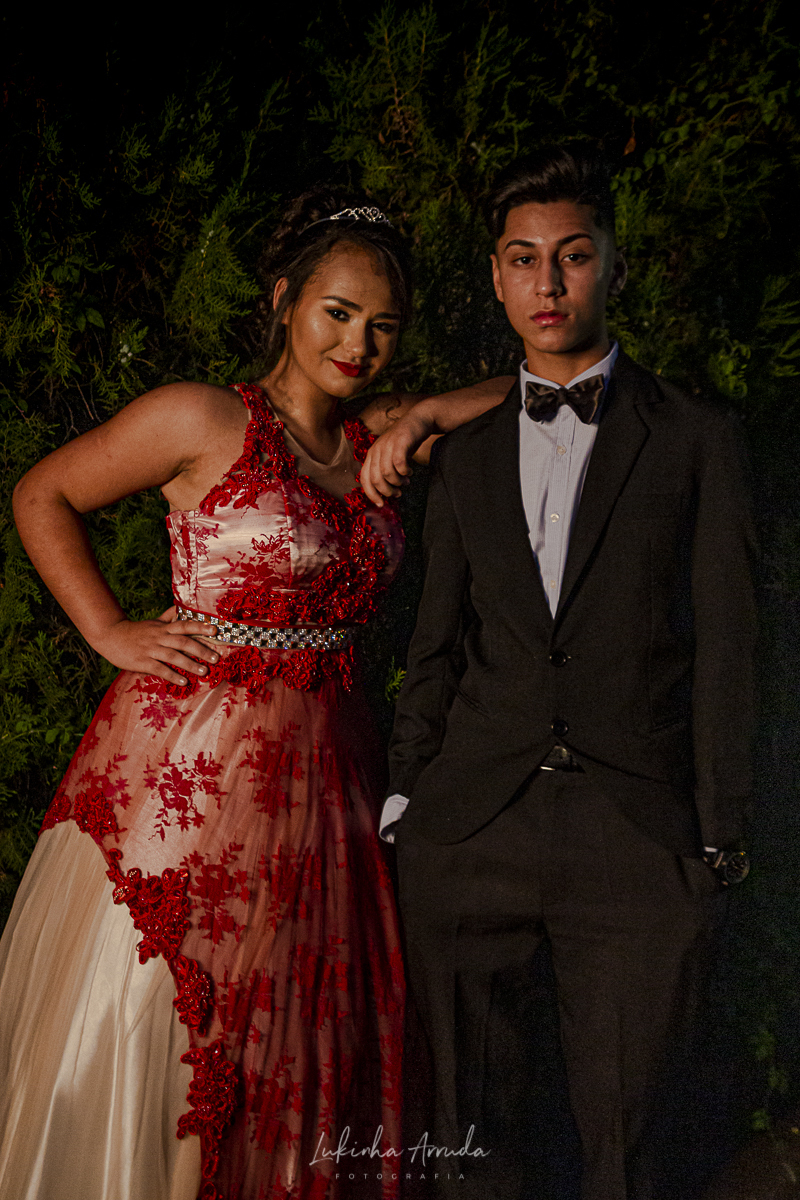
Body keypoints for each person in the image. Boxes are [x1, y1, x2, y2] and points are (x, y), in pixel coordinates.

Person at [0, 189, 507, 1200]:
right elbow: (40, 491)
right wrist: (109, 630)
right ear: (283, 301)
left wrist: (426, 414)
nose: (358, 344)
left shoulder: (376, 436)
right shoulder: (203, 416)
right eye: (337, 313)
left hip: (328, 783)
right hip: (189, 773)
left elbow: (526, 390)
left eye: (383, 326)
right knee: (177, 1016)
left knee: (298, 1020)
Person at [363, 145, 758, 1200]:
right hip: (469, 830)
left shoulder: (696, 438)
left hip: (635, 838)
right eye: (523, 259)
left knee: (628, 1148)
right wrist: (407, 805)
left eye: (572, 256)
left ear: (612, 266)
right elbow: (435, 645)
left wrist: (714, 841)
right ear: (496, 277)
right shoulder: (463, 452)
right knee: (469, 1147)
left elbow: (730, 645)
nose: (547, 283)